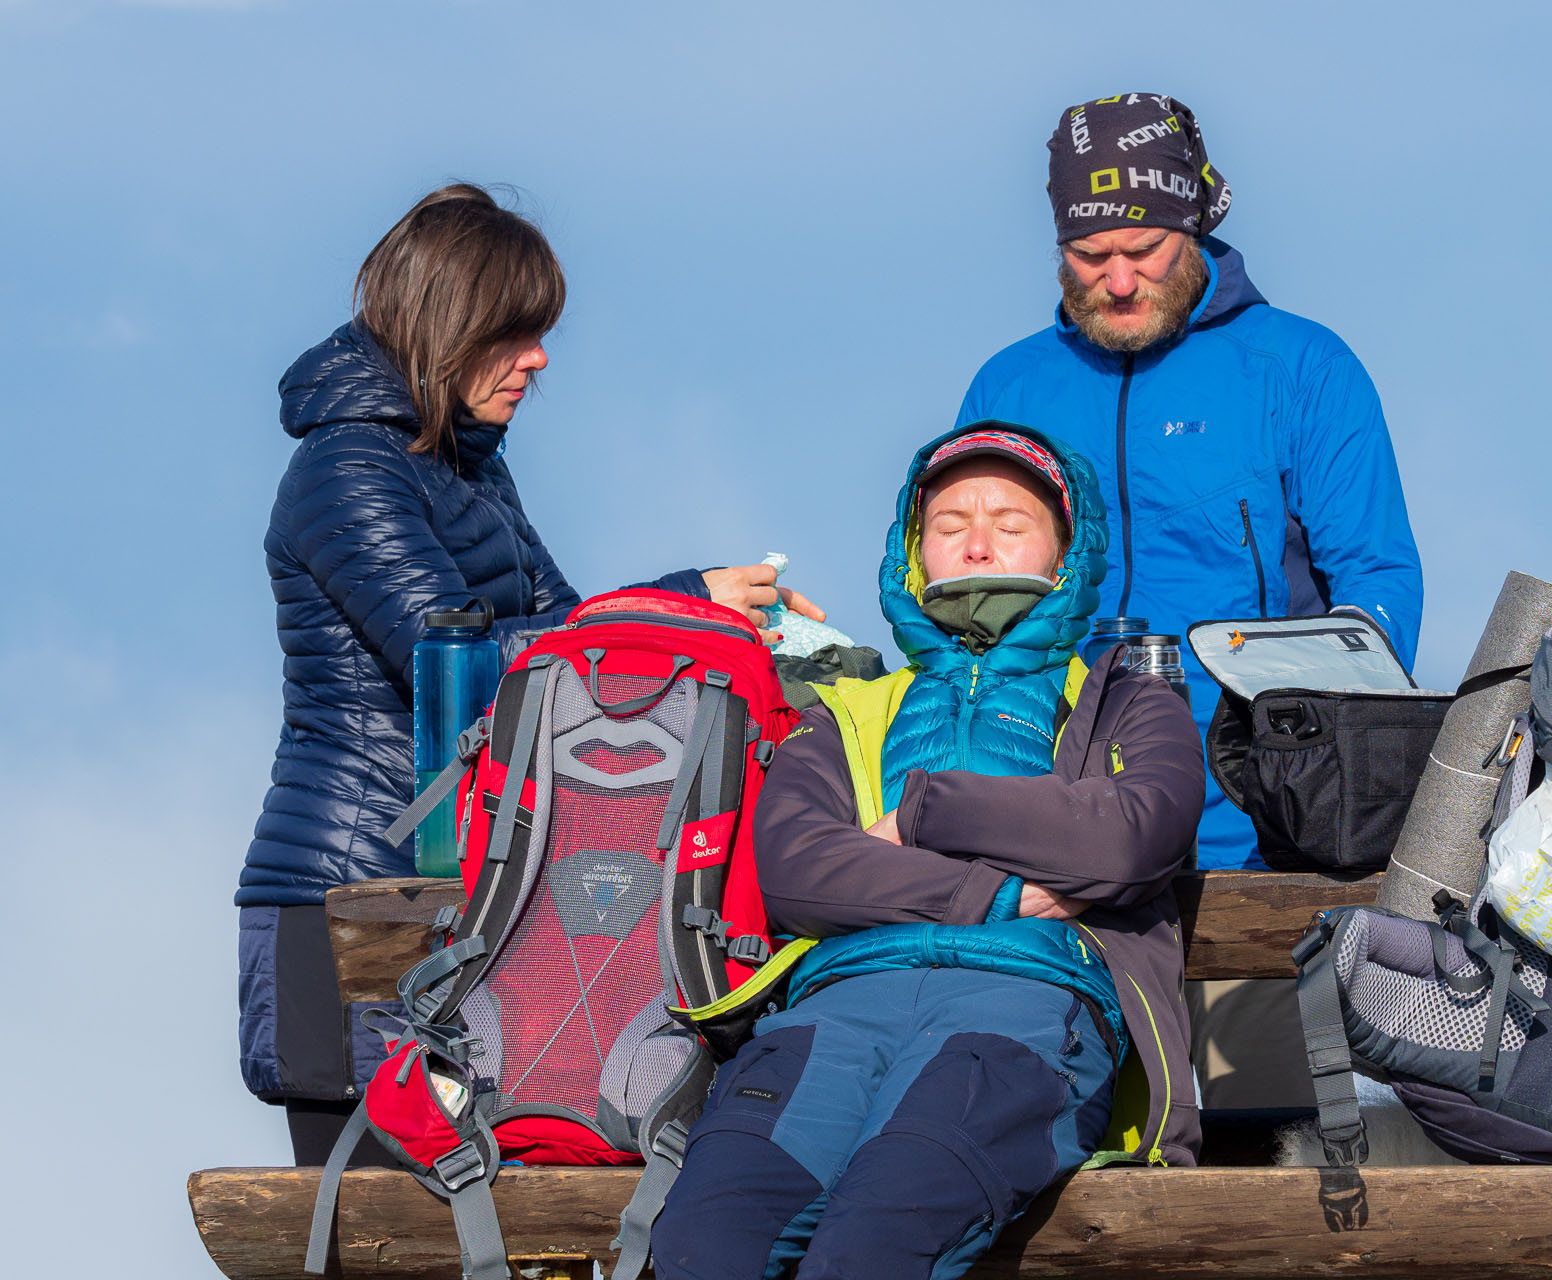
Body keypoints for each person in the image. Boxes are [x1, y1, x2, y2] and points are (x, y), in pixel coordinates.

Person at [236, 183, 822, 1165]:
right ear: (447, 325)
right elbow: (454, 660)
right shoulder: (347, 470)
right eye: (515, 334)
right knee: (377, 1212)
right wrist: (687, 595)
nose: (540, 359)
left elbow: (568, 638)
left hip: (464, 884)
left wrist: (694, 621)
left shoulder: (467, 467)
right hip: (348, 889)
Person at [649, 424, 1205, 1280]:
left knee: (872, 1248)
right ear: (915, 553)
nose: (978, 543)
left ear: (1066, 554)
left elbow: (1133, 836)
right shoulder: (845, 709)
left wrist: (922, 811)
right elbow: (800, 871)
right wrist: (1006, 889)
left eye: (1010, 522)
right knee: (703, 1243)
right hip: (834, 1010)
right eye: (949, 524)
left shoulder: (1124, 702)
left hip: (1026, 1006)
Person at [956, 93, 1424, 873]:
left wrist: (1314, 762)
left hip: (1258, 832)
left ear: (1194, 225)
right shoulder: (1008, 388)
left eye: (1143, 249)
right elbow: (958, 590)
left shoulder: (1302, 367)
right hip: (1053, 825)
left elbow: (1376, 578)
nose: (1118, 280)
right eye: (1089, 253)